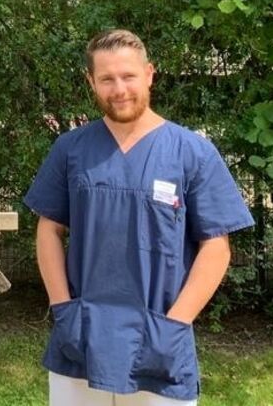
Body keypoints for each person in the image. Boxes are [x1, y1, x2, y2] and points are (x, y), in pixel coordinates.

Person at [24, 29, 254, 405]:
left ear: (149, 74)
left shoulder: (192, 152)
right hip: (82, 334)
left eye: (128, 76)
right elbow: (49, 229)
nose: (119, 89)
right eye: (106, 79)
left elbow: (216, 246)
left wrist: (176, 323)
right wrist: (62, 308)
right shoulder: (71, 149)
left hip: (161, 339)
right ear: (91, 82)